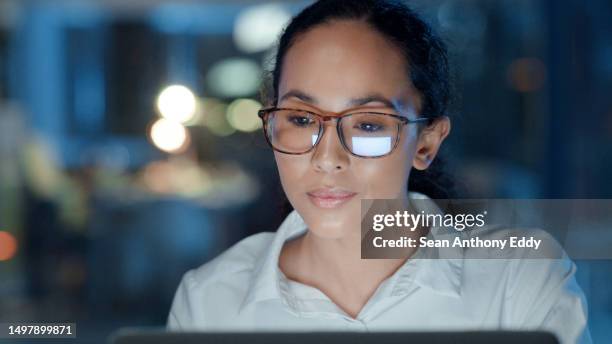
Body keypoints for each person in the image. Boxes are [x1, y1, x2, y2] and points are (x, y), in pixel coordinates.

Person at [167, 1, 591, 343]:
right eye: (300, 119)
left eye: (368, 125)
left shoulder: (518, 283)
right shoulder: (209, 303)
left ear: (426, 142)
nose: (327, 158)